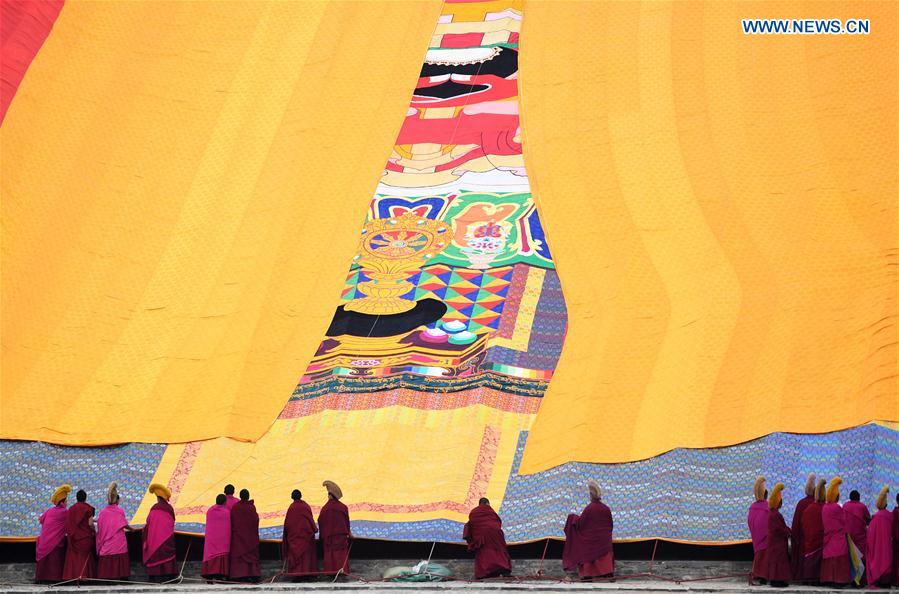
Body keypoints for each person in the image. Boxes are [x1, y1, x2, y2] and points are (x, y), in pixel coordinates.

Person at [562, 480, 614, 581]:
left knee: (584, 546)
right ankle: (608, 574)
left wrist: (572, 518)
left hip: (591, 541)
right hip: (604, 541)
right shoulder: (606, 508)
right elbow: (610, 525)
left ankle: (587, 575)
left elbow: (581, 524)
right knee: (602, 550)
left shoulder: (589, 508)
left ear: (591, 495)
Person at [463, 497, 512, 579]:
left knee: (484, 553)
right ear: (487, 503)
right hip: (495, 534)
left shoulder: (474, 512)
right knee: (499, 551)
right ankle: (504, 570)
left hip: (481, 536)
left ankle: (485, 573)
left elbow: (472, 523)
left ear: (479, 504)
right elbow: (498, 521)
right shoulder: (490, 511)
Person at [96, 482, 134, 581]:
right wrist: (132, 529)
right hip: (118, 542)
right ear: (117, 500)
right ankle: (121, 577)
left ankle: (107, 578)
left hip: (106, 542)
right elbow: (124, 524)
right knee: (120, 553)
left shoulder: (103, 512)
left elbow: (100, 526)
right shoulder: (120, 511)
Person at [35, 484, 70, 583]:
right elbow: (71, 522)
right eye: (66, 501)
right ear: (63, 502)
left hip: (43, 540)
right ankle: (53, 578)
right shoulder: (64, 512)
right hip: (54, 541)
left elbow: (41, 520)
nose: (67, 503)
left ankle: (41, 578)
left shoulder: (50, 510)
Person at [142, 483, 177, 581]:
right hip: (167, 538)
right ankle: (170, 576)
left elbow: (149, 521)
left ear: (158, 498)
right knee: (167, 554)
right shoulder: (169, 508)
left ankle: (152, 576)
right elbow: (172, 521)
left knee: (153, 553)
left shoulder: (154, 508)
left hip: (154, 538)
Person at [821, 476, 850, 587]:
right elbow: (843, 521)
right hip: (838, 537)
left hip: (828, 537)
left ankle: (829, 579)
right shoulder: (837, 507)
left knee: (829, 557)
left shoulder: (824, 507)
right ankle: (839, 580)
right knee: (839, 557)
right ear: (836, 496)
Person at [282, 489, 317, 579]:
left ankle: (297, 575)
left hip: (294, 537)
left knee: (296, 555)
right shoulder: (305, 506)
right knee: (306, 557)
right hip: (305, 537)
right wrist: (313, 529)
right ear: (301, 496)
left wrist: (287, 534)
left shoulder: (291, 508)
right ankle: (307, 574)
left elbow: (288, 524)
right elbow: (309, 519)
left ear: (292, 497)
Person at [62, 489, 96, 581]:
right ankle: (85, 576)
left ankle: (73, 576)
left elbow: (69, 523)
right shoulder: (88, 508)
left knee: (74, 557)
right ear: (85, 498)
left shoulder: (71, 509)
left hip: (74, 537)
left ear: (76, 498)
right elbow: (90, 523)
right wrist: (94, 530)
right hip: (85, 537)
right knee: (84, 556)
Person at [319, 480, 351, 575]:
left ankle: (330, 573)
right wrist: (349, 533)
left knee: (330, 556)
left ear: (330, 495)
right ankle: (342, 572)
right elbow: (346, 522)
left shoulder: (324, 509)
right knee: (340, 556)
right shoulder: (343, 507)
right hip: (341, 538)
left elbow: (321, 522)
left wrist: (322, 536)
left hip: (329, 538)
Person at [229, 489, 261, 582]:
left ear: (240, 496)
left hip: (239, 536)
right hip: (250, 537)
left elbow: (232, 521)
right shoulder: (251, 507)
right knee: (251, 555)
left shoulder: (235, 507)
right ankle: (252, 575)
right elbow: (256, 520)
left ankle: (239, 575)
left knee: (239, 555)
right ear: (248, 496)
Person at [800, 478, 827, 584]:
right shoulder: (825, 508)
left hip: (809, 539)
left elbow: (803, 523)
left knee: (810, 558)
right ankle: (818, 578)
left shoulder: (808, 508)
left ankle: (808, 578)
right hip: (821, 539)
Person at [866, 487, 893, 588]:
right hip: (886, 544)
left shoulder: (875, 517)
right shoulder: (889, 516)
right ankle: (885, 582)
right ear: (886, 504)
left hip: (876, 546)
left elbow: (870, 534)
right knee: (886, 559)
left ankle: (877, 579)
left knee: (877, 560)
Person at [790, 473, 816, 580]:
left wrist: (794, 537)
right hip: (814, 538)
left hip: (802, 538)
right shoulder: (817, 503)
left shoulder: (801, 503)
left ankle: (801, 576)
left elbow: (796, 523)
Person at [766, 483, 791, 587]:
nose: (781, 504)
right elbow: (779, 529)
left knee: (775, 561)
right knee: (779, 561)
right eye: (780, 502)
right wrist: (788, 532)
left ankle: (776, 579)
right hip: (777, 543)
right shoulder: (775, 514)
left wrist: (787, 529)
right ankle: (777, 580)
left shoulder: (772, 513)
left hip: (774, 542)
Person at [201, 494, 230, 581]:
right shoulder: (227, 512)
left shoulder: (210, 510)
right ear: (225, 502)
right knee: (221, 553)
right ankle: (220, 574)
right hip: (223, 539)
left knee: (211, 554)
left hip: (211, 538)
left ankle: (209, 575)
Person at [747, 476, 769, 584]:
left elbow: (750, 521)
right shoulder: (767, 506)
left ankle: (758, 575)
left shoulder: (752, 507)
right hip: (766, 538)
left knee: (759, 556)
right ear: (766, 495)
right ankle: (764, 576)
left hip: (756, 537)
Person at [844, 489, 871, 560]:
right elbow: (868, 520)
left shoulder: (845, 505)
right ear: (859, 498)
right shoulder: (862, 507)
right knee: (861, 555)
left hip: (848, 535)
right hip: (860, 536)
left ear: (850, 497)